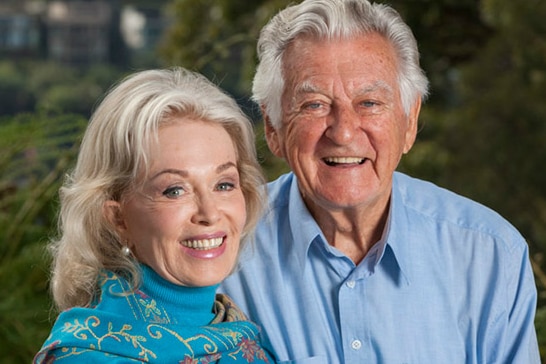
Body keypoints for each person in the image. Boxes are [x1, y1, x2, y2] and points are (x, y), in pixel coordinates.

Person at [220, 0, 541, 363]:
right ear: (272, 127)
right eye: (314, 104)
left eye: (369, 103)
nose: (343, 132)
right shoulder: (221, 247)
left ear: (410, 121)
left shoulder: (490, 255)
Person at [34, 68, 273, 363]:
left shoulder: (241, 336)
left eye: (224, 184)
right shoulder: (89, 358)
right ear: (117, 217)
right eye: (174, 190)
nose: (209, 213)